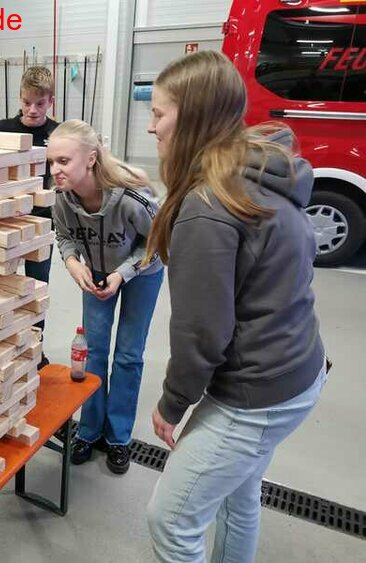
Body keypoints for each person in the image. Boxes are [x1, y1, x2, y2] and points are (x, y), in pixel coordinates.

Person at [145, 51, 327, 563]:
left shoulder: (208, 207)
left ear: (193, 116)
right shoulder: (257, 172)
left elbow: (201, 333)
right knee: (239, 496)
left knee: (172, 520)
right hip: (298, 368)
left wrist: (172, 404)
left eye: (159, 113)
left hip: (259, 391)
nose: (151, 126)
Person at [49, 119, 163, 474]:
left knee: (128, 354)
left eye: (63, 161)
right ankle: (89, 429)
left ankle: (118, 437)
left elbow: (159, 243)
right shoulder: (62, 198)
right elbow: (64, 236)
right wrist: (72, 262)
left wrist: (122, 273)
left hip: (142, 272)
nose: (55, 170)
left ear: (91, 159)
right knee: (93, 351)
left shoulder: (131, 198)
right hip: (97, 273)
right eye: (51, 161)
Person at [0, 66, 59, 368]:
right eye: (26, 102)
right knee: (1, 286)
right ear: (19, 98)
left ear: (51, 101)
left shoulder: (57, 134)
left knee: (36, 287)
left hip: (40, 225)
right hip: (4, 223)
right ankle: (3, 345)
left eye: (40, 103)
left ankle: (35, 349)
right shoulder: (4, 129)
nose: (32, 110)